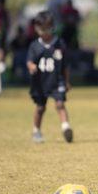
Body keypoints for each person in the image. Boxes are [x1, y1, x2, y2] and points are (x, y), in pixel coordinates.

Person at [26, 11, 73, 143]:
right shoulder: (35, 46)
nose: (45, 33)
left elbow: (65, 66)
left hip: (57, 80)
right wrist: (31, 67)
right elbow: (29, 61)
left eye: (48, 29)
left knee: (60, 104)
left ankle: (66, 127)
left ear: (52, 27)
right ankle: (36, 130)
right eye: (42, 29)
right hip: (40, 82)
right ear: (36, 29)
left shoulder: (59, 44)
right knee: (40, 108)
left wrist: (67, 81)